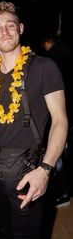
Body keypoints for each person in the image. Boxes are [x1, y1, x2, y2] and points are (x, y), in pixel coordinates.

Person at [0, 1, 68, 239]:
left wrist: (45, 169)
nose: (5, 32)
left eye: (10, 25)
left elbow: (60, 121)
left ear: (20, 28)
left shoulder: (44, 67)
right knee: (6, 234)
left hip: (28, 170)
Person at [42, 34, 72, 207]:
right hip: (68, 108)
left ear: (48, 42)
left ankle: (62, 193)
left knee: (57, 152)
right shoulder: (67, 54)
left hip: (60, 107)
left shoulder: (51, 60)